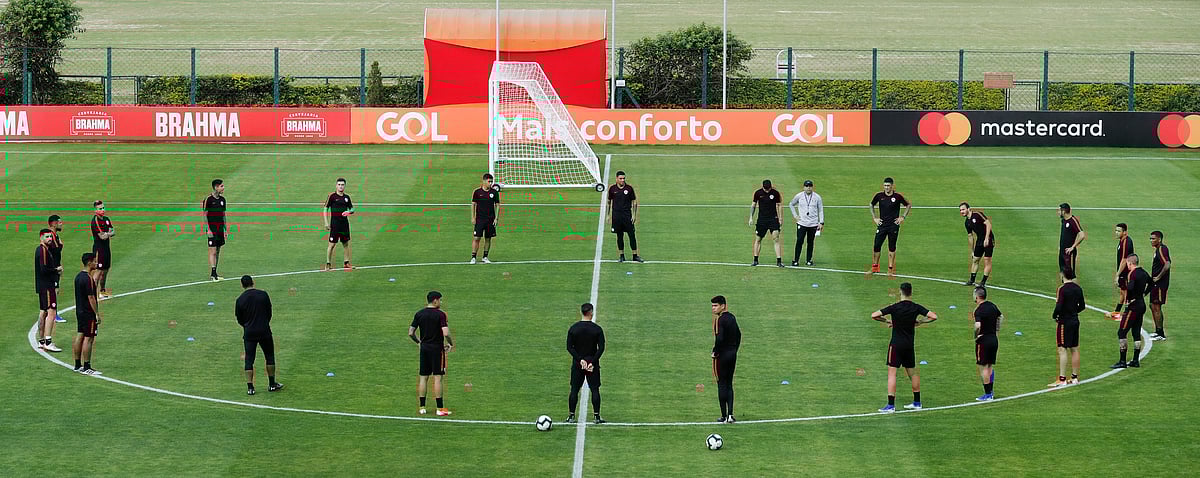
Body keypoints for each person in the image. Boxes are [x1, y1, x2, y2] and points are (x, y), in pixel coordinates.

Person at [871, 282, 937, 412]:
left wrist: (887, 321)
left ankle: (891, 405)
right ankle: (917, 402)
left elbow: (874, 315)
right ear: (911, 292)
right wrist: (920, 322)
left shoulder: (895, 307)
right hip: (909, 345)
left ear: (900, 292)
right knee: (912, 373)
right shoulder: (916, 307)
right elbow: (934, 316)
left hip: (896, 345)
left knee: (892, 374)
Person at [409, 291, 455, 416]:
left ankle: (422, 407)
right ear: (435, 300)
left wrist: (419, 342)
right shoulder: (440, 314)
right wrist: (451, 343)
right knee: (438, 378)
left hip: (424, 349)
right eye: (440, 300)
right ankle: (439, 409)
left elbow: (411, 332)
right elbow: (446, 333)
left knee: (423, 377)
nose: (441, 302)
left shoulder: (419, 314)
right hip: (437, 349)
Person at [235, 275, 282, 395]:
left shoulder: (240, 300)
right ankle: (272, 384)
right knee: (269, 356)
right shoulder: (263, 295)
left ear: (242, 285)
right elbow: (269, 312)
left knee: (249, 359)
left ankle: (250, 387)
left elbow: (239, 318)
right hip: (264, 330)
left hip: (249, 332)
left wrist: (247, 326)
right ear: (253, 282)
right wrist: (264, 322)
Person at [566, 302, 606, 424]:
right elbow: (601, 348)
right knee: (594, 389)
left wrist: (580, 360)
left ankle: (571, 416)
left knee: (574, 389)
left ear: (582, 312)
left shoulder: (573, 328)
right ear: (591, 313)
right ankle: (597, 417)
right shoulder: (597, 329)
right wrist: (592, 362)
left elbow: (569, 347)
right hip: (592, 365)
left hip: (578, 364)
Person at [1112, 254, 1150, 369]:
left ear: (1130, 263)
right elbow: (1151, 283)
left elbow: (1130, 287)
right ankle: (1135, 360)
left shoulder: (1132, 274)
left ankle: (1122, 361)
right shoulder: (1143, 272)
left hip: (1133, 306)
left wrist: (1127, 298)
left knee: (1122, 332)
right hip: (1141, 304)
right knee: (1136, 332)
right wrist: (1144, 293)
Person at [1049, 268, 1085, 387]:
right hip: (1075, 320)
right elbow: (1082, 306)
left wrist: (1055, 315)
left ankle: (1062, 378)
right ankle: (1074, 377)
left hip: (1065, 322)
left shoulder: (1062, 289)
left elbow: (1059, 306)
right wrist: (1073, 311)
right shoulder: (1078, 288)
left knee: (1062, 348)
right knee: (1074, 348)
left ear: (1062, 275)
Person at [869, 177, 911, 276]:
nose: (886, 187)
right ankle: (875, 267)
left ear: (892, 186)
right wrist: (875, 218)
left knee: (892, 247)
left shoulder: (898, 197)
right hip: (882, 225)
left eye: (888, 186)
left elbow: (908, 205)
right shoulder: (879, 196)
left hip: (893, 226)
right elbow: (871, 204)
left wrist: (902, 217)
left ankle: (890, 268)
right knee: (877, 245)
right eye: (885, 185)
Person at [711, 295, 741, 423]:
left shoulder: (720, 320)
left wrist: (715, 352)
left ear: (723, 306)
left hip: (722, 356)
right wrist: (734, 349)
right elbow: (739, 335)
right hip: (732, 354)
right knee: (729, 384)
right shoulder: (732, 317)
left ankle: (723, 416)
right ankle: (730, 415)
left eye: (715, 305)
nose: (713, 308)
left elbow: (719, 338)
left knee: (721, 384)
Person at [71, 253, 102, 375]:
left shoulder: (78, 277)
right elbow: (91, 297)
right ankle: (87, 366)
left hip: (80, 311)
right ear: (89, 262)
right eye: (94, 261)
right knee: (89, 338)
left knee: (80, 335)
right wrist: (96, 313)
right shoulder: (88, 279)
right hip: (88, 312)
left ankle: (77, 364)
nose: (96, 263)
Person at [971, 286, 1003, 401]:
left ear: (977, 296)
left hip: (983, 340)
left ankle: (988, 394)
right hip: (993, 339)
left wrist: (976, 336)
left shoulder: (978, 310)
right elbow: (1000, 317)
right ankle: (990, 392)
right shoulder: (992, 306)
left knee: (983, 367)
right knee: (989, 366)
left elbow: (977, 325)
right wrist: (996, 330)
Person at [34, 229, 63, 352]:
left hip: (42, 286)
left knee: (43, 312)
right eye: (47, 237)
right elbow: (44, 269)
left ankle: (41, 341)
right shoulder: (43, 250)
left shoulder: (42, 249)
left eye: (50, 236)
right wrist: (57, 270)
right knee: (51, 312)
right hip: (47, 286)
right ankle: (48, 342)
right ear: (41, 238)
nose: (50, 239)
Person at [607, 171, 642, 263]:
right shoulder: (612, 189)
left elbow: (634, 201)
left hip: (627, 215)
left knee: (632, 235)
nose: (622, 180)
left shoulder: (629, 188)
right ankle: (621, 255)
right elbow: (609, 202)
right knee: (619, 236)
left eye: (623, 178)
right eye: (620, 178)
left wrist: (634, 215)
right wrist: (608, 215)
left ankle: (635, 255)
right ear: (616, 179)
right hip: (616, 216)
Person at [788, 179, 824, 267]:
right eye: (807, 186)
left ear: (812, 187)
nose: (808, 188)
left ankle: (809, 260)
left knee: (810, 242)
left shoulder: (817, 197)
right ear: (804, 187)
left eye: (810, 186)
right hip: (802, 223)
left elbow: (820, 210)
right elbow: (791, 204)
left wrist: (821, 222)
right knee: (799, 241)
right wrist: (795, 216)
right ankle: (796, 260)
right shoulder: (799, 196)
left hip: (813, 223)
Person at [749, 179, 784, 267]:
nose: (767, 191)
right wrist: (751, 218)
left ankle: (779, 261)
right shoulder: (758, 193)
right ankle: (755, 260)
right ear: (763, 187)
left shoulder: (775, 193)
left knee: (776, 238)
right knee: (758, 239)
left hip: (773, 219)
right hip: (762, 220)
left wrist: (780, 218)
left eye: (768, 189)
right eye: (766, 189)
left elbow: (779, 205)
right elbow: (753, 205)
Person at [322, 178, 355, 271]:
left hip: (344, 225)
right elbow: (325, 208)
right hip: (335, 225)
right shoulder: (332, 196)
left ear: (345, 186)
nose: (341, 186)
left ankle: (346, 263)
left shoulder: (347, 197)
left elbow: (352, 209)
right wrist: (326, 222)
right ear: (336, 186)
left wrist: (348, 212)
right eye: (339, 184)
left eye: (342, 185)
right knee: (332, 244)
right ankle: (328, 264)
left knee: (345, 243)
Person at [959, 202, 994, 287]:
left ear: (968, 209)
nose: (961, 211)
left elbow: (988, 224)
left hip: (989, 239)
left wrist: (986, 238)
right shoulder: (967, 222)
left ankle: (983, 282)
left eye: (963, 209)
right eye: (960, 210)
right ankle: (972, 280)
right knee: (975, 260)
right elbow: (970, 236)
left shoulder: (978, 214)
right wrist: (972, 251)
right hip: (979, 240)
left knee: (987, 260)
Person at [470, 173, 501, 264]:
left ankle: (485, 257)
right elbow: (473, 204)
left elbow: (497, 205)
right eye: (489, 181)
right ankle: (473, 257)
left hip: (490, 220)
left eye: (491, 181)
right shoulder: (477, 192)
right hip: (480, 219)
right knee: (476, 238)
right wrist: (473, 217)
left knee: (488, 238)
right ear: (484, 181)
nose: (490, 183)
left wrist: (496, 218)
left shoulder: (494, 192)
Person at [89, 200, 115, 298]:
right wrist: (108, 233)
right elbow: (102, 236)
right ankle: (93, 294)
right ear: (95, 210)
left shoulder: (106, 219)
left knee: (106, 270)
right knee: (99, 271)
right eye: (100, 209)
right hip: (99, 250)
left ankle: (102, 291)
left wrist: (107, 233)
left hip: (106, 248)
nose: (103, 210)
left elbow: (113, 232)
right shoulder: (95, 221)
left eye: (103, 208)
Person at [1148, 231, 1171, 341]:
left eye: (1153, 238)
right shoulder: (1158, 249)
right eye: (1150, 238)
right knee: (1152, 305)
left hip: (1160, 284)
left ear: (1159, 239)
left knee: (1156, 306)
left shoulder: (1162, 249)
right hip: (1156, 284)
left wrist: (1158, 277)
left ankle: (1161, 334)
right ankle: (1157, 331)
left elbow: (1167, 264)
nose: (1151, 241)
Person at [204, 179, 228, 281]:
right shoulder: (208, 199)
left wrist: (225, 229)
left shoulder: (222, 200)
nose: (223, 188)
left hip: (220, 230)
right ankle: (213, 274)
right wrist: (208, 229)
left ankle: (214, 274)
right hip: (212, 229)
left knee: (217, 251)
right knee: (213, 251)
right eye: (221, 186)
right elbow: (205, 215)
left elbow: (223, 215)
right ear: (216, 187)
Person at [1058, 203, 1086, 282]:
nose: (1058, 212)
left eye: (1059, 210)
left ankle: (1074, 289)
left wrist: (1072, 247)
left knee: (1071, 275)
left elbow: (1082, 235)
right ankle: (1065, 289)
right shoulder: (1063, 220)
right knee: (1063, 273)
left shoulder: (1073, 221)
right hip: (1062, 252)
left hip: (1069, 253)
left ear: (1063, 211)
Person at [1111, 223, 1134, 314]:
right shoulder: (1122, 240)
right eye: (1116, 230)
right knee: (1122, 292)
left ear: (1124, 232)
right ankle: (1117, 312)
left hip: (1125, 272)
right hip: (1124, 271)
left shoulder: (1125, 242)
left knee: (1126, 294)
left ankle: (1127, 313)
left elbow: (1124, 259)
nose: (1116, 232)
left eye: (1119, 231)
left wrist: (1117, 274)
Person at [48, 215, 66, 323]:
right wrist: (56, 267)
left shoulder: (55, 235)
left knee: (55, 290)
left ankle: (52, 313)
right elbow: (55, 250)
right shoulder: (51, 236)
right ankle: (53, 314)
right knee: (54, 290)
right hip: (53, 267)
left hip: (55, 266)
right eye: (59, 222)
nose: (61, 224)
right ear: (54, 223)